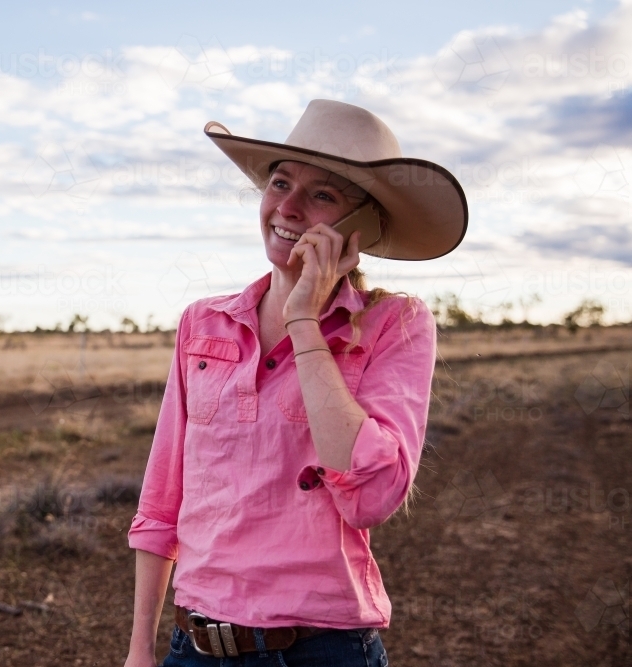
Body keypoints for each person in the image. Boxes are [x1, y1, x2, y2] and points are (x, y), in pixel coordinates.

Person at [123, 99, 468, 666]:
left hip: (321, 650)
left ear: (362, 226)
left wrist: (306, 321)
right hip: (197, 648)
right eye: (279, 183)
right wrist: (140, 650)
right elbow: (162, 501)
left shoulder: (395, 324)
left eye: (323, 195)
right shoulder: (203, 323)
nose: (287, 206)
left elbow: (373, 496)